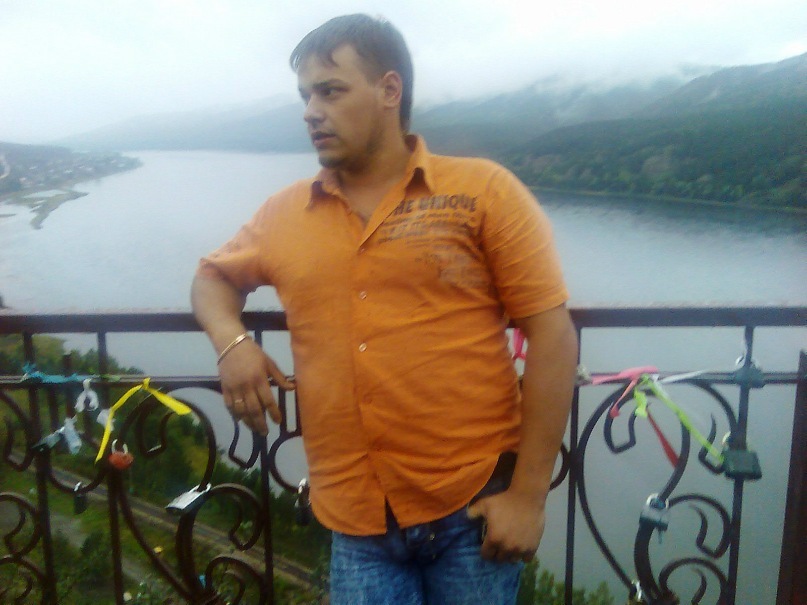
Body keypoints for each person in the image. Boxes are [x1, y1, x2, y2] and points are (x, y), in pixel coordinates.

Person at [191, 13, 578, 605]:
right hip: (355, 515)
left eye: (330, 91)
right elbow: (212, 278)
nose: (310, 111)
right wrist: (233, 344)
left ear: (389, 90)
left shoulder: (483, 191)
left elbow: (552, 336)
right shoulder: (285, 214)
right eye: (305, 96)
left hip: (473, 505)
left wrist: (528, 497)